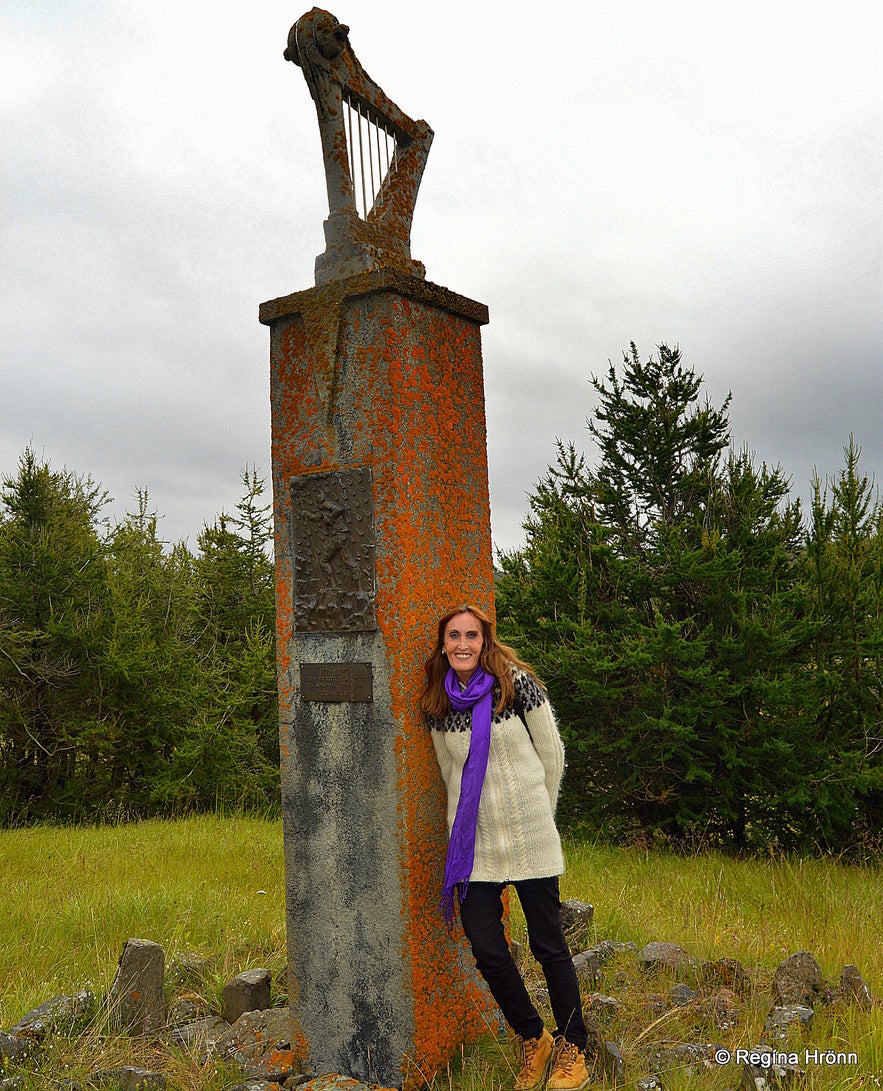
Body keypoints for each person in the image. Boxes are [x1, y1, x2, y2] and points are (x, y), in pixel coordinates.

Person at [420, 604, 590, 1091]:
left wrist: (540, 814)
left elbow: (552, 755)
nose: (462, 645)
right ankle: (533, 1038)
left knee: (548, 945)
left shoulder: (516, 686)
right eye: (453, 636)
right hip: (475, 849)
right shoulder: (438, 700)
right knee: (488, 948)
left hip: (530, 836)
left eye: (471, 635)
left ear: (485, 640)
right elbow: (449, 777)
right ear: (443, 643)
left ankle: (573, 1045)